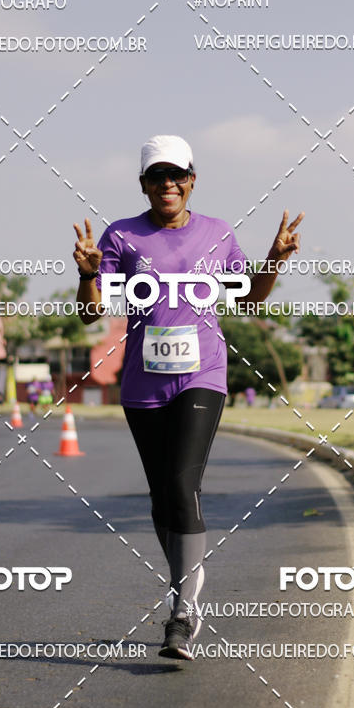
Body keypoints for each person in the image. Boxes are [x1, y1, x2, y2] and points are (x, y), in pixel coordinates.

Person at [74, 134, 303, 660]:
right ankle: (186, 590)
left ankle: (183, 611)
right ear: (144, 185)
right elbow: (90, 313)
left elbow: (247, 296)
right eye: (158, 176)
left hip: (204, 375)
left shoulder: (218, 235)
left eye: (177, 175)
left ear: (192, 181)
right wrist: (88, 273)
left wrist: (274, 258)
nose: (168, 184)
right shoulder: (120, 237)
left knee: (182, 484)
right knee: (161, 497)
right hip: (143, 384)